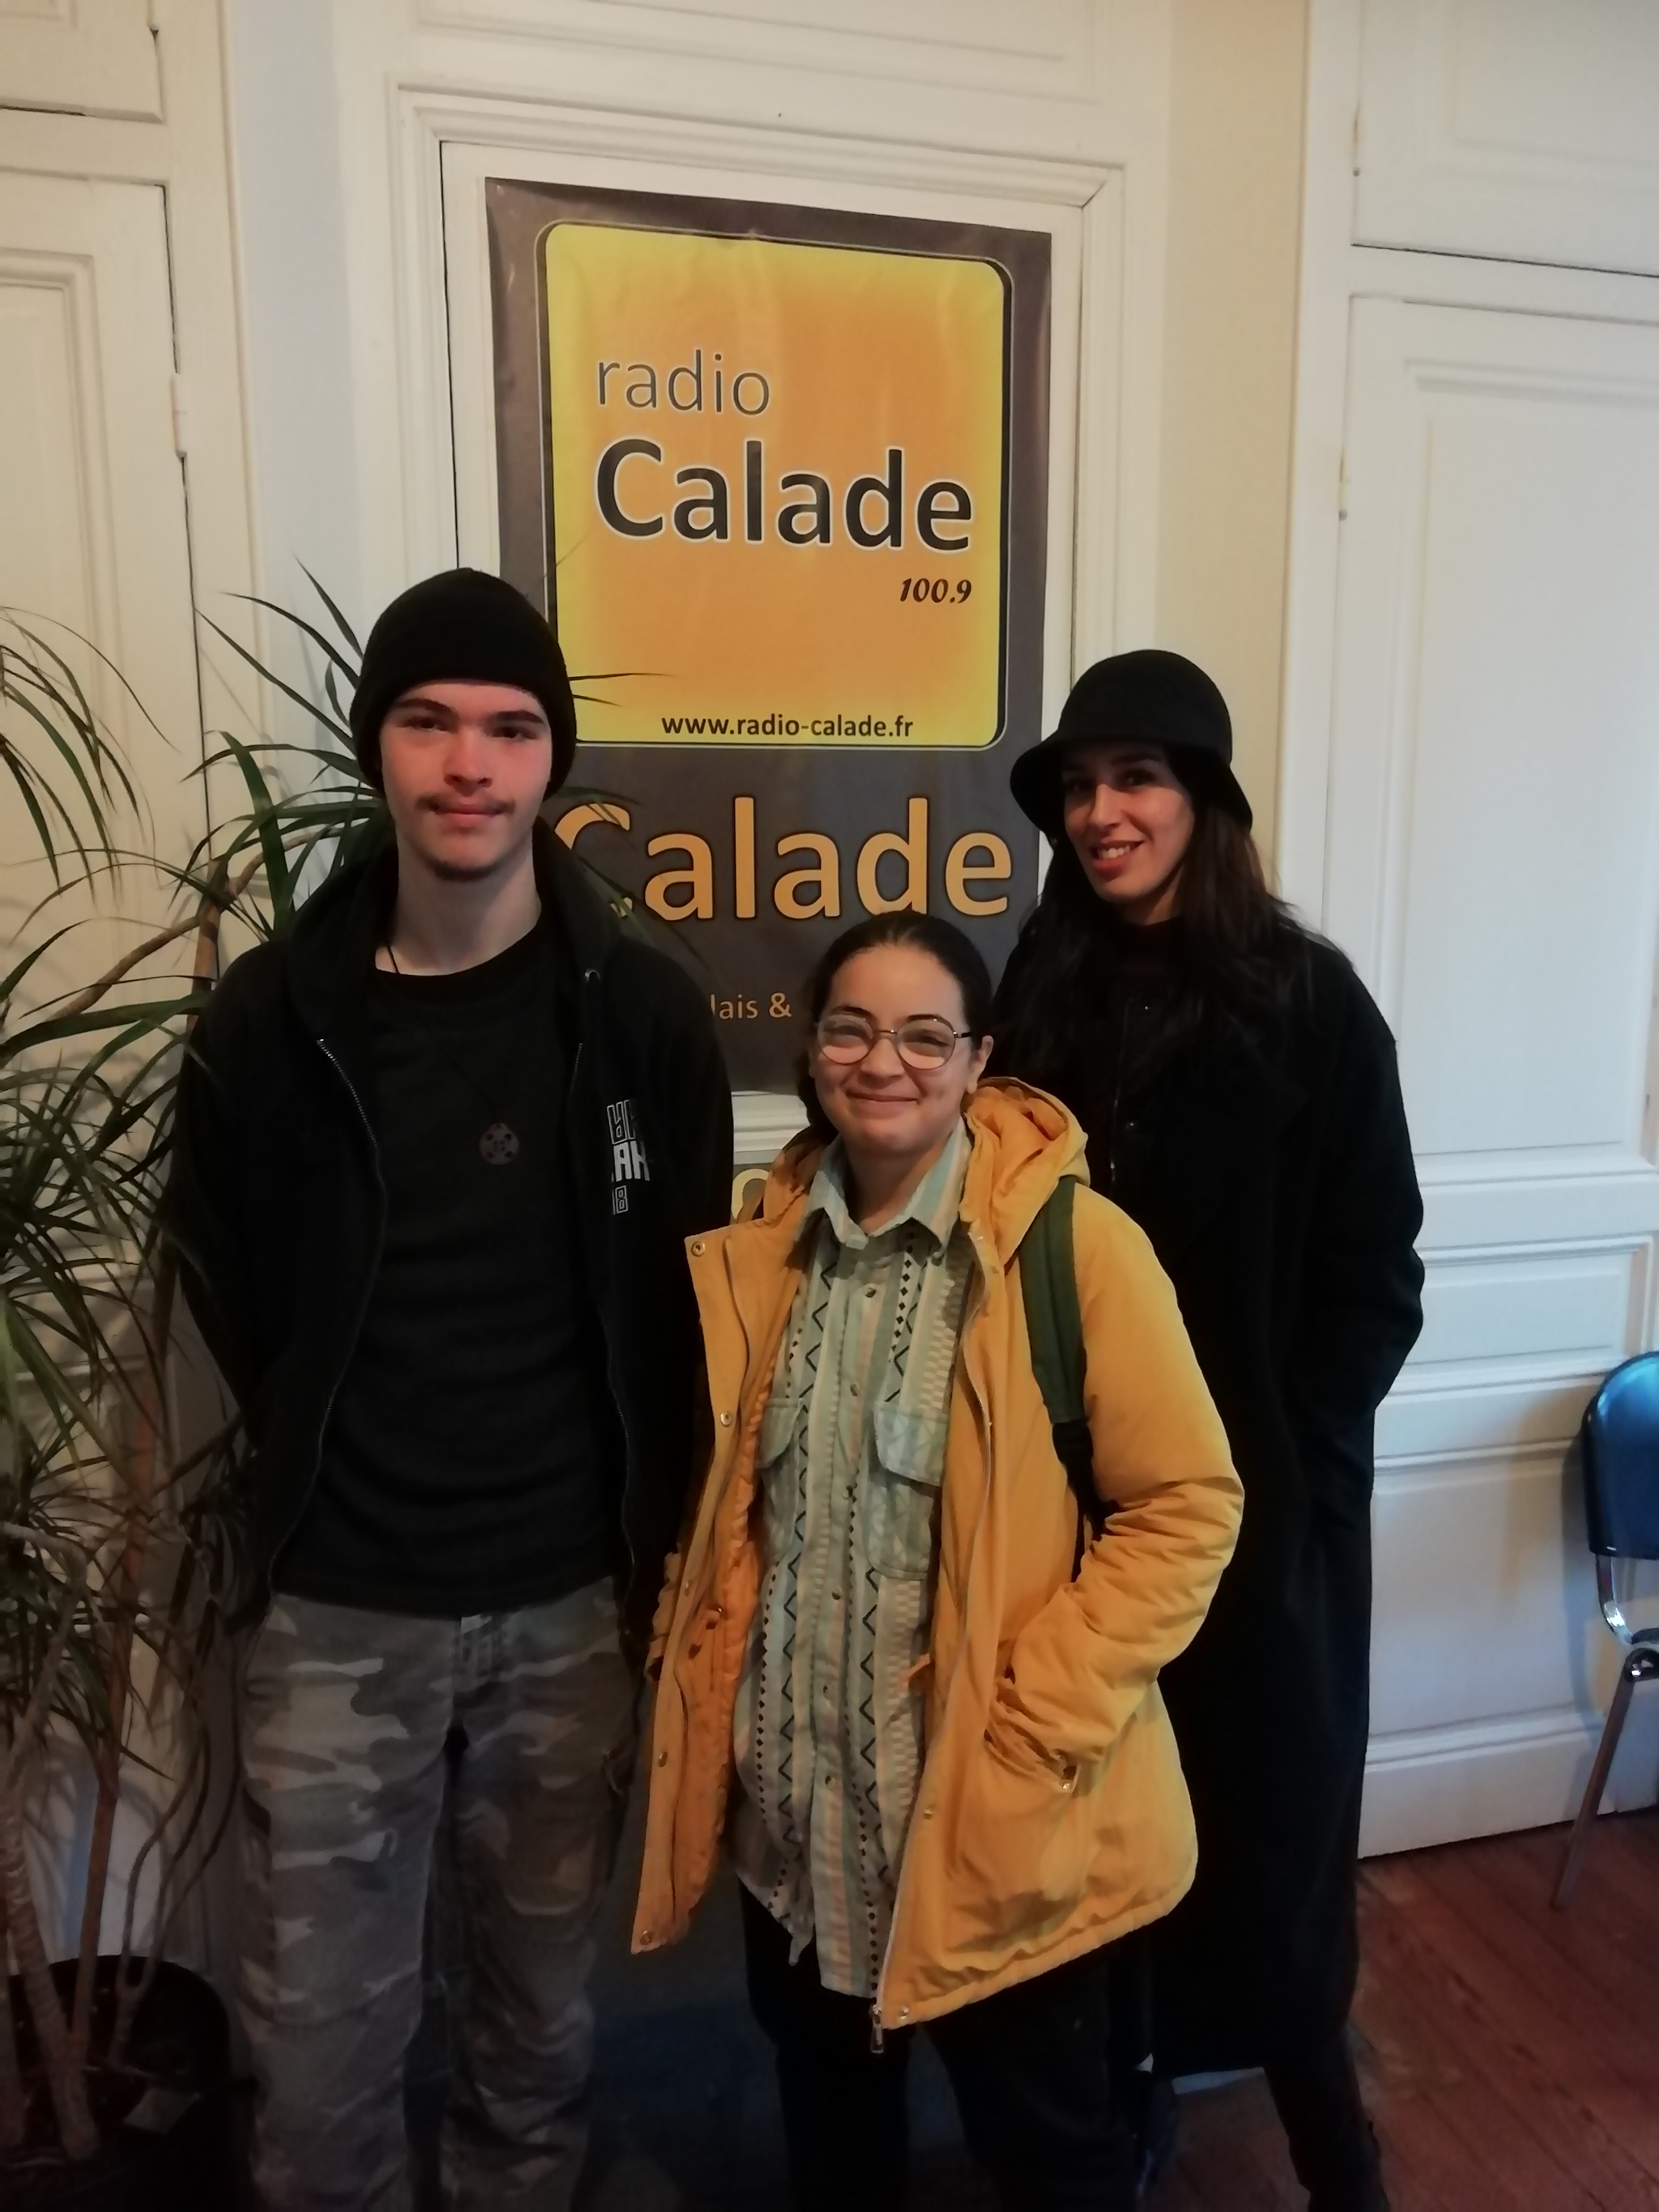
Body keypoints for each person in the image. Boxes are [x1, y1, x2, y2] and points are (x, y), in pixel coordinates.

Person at [167, 567, 732, 2211]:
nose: (469, 763)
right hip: (341, 1612)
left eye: (509, 728)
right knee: (320, 2060)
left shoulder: (642, 1013)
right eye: (429, 722)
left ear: (554, 761)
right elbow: (227, 1274)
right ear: (378, 750)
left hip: (572, 1611)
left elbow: (686, 1293)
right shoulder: (275, 1017)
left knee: (536, 2032)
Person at [632, 911, 1243, 2212]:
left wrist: (1035, 1726)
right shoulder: (764, 1247)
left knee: (1051, 2155)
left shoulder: (1075, 1251)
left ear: (978, 1060)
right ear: (811, 1051)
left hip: (991, 1827)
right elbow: (737, 1512)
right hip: (797, 1831)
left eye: (924, 1036)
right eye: (852, 1029)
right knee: (836, 2140)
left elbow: (1187, 1504)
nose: (884, 1062)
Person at [993, 649, 1425, 2212]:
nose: (1101, 812)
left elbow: (1377, 1275)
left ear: (1205, 802)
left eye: (1138, 778)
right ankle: (1130, 2127)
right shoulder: (1039, 987)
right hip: (1073, 1524)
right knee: (1102, 1856)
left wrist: (1293, 1465)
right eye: (1079, 786)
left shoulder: (1313, 1006)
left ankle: (1339, 2161)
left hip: (1261, 1524)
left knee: (1274, 1863)